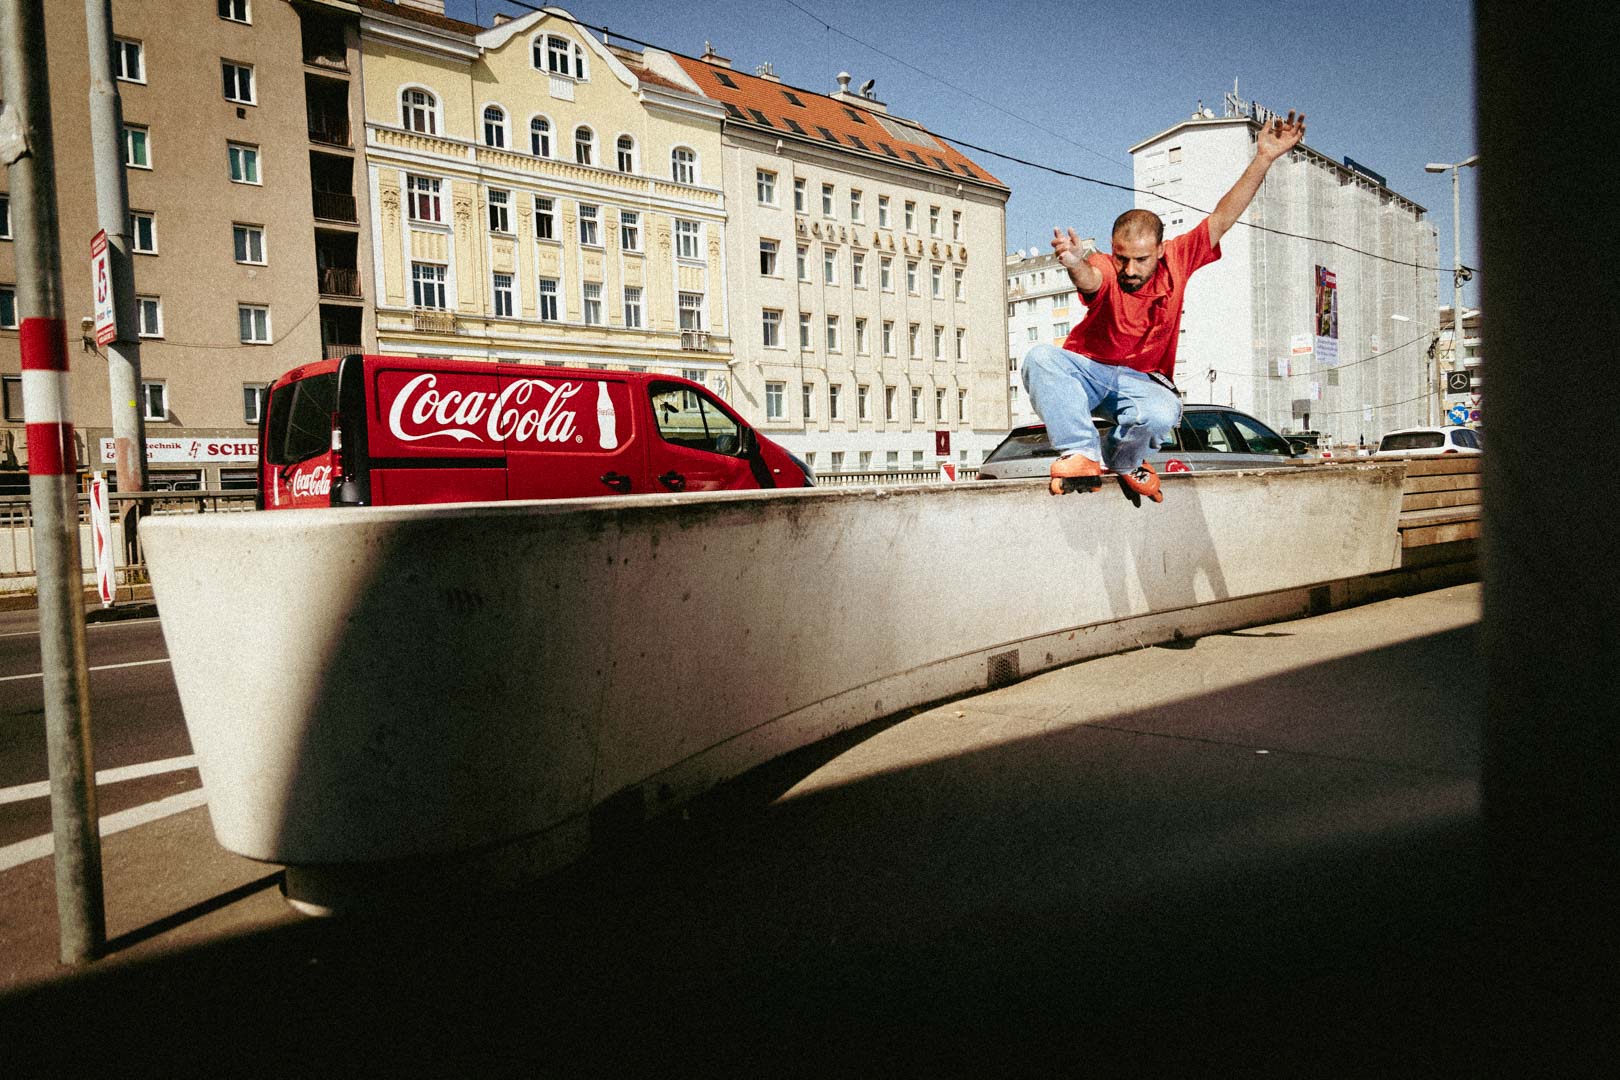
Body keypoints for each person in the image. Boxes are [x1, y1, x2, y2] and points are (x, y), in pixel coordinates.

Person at [1022, 110, 1307, 500]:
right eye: (1122, 257)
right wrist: (1074, 263)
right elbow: (1092, 278)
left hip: (1140, 384)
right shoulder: (1106, 267)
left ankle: (1124, 460)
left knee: (1163, 411)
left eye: (1141, 260)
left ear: (1160, 249)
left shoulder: (1180, 256)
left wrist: (1263, 158)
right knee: (1040, 357)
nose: (1129, 269)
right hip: (1088, 374)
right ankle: (1081, 453)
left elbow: (1224, 216)